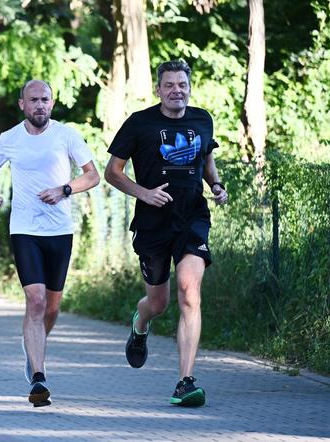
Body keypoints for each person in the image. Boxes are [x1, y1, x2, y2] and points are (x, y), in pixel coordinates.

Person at [104, 60, 228, 407]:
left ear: (190, 87)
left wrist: (216, 185)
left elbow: (206, 161)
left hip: (191, 217)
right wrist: (143, 193)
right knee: (158, 302)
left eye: (182, 84)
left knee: (190, 291)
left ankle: (185, 382)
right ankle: (140, 323)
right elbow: (112, 172)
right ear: (159, 89)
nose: (177, 90)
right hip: (153, 221)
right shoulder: (140, 123)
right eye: (169, 85)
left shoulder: (202, 119)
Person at [0, 79, 100, 407]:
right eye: (33, 100)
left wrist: (64, 189)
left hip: (60, 231)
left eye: (45, 99)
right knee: (34, 300)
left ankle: (33, 349)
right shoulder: (10, 138)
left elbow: (93, 175)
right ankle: (38, 375)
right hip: (24, 229)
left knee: (51, 306)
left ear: (52, 102)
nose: (39, 105)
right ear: (22, 104)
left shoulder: (66, 135)